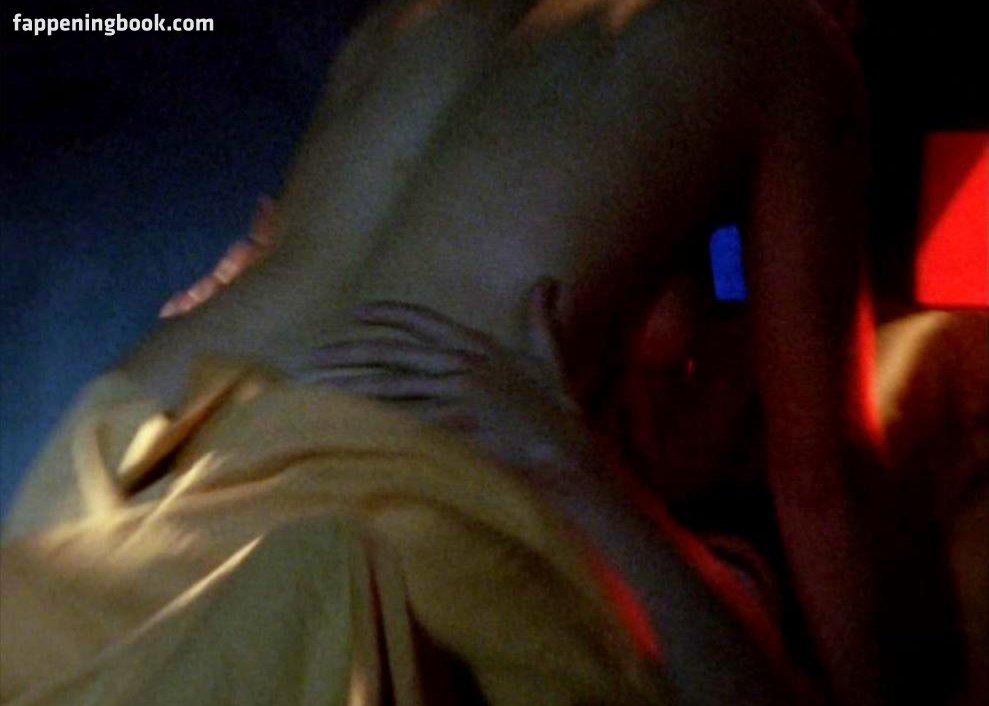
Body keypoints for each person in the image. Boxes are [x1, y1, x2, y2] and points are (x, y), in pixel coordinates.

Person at [3, 0, 883, 703]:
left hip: (140, 439)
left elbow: (320, 247)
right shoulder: (782, 37)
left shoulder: (408, 14)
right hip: (404, 442)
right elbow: (821, 484)